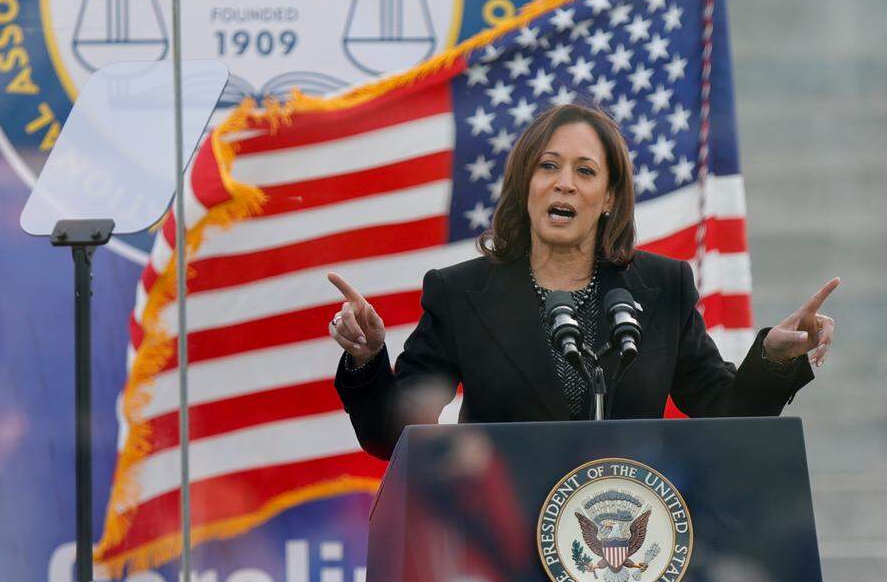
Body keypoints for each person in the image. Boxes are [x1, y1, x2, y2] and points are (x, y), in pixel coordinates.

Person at [327, 103, 838, 460]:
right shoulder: (460, 294)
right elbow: (395, 435)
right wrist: (368, 361)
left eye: (585, 171)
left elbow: (724, 412)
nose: (564, 182)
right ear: (525, 185)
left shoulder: (662, 288)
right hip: (510, 559)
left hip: (630, 551)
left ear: (610, 197)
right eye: (548, 166)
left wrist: (772, 358)